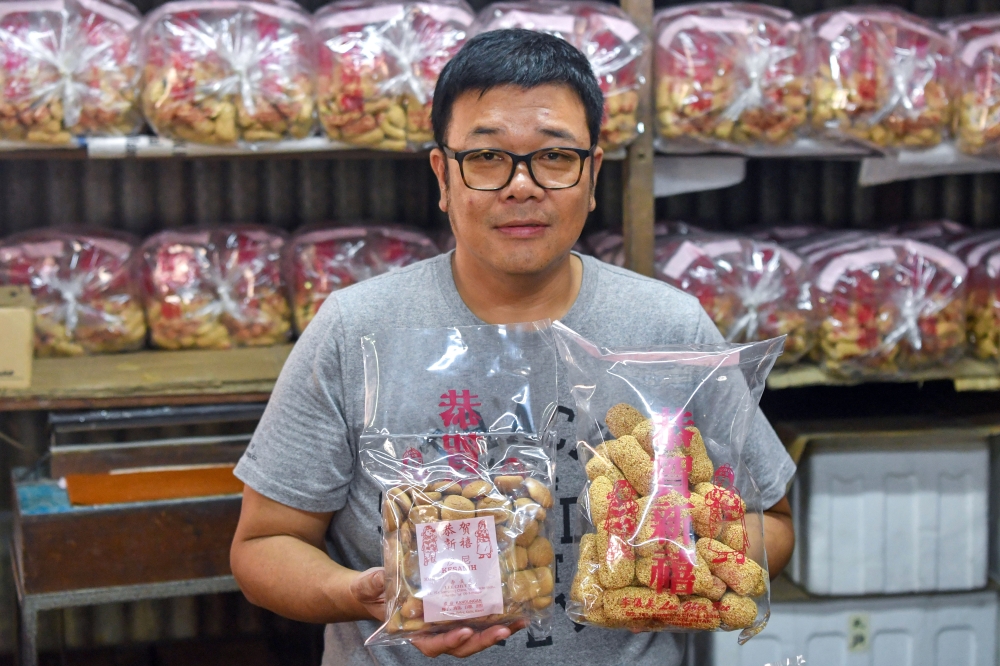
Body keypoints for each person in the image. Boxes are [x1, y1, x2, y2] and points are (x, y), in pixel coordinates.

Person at [230, 28, 796, 665]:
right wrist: (359, 592)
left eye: (555, 157)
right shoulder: (357, 326)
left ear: (593, 173)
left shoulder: (669, 328)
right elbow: (263, 545)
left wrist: (678, 550)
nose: (521, 186)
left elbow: (772, 526)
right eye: (488, 157)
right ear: (444, 175)